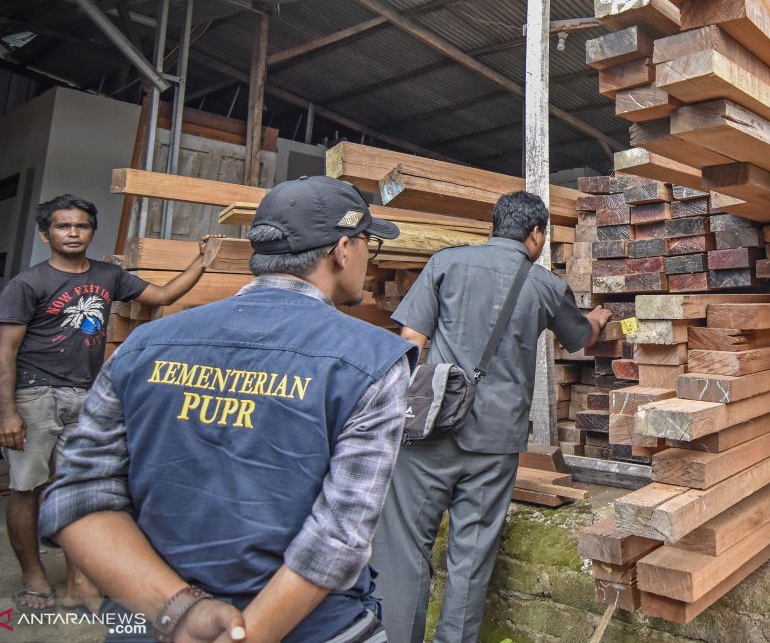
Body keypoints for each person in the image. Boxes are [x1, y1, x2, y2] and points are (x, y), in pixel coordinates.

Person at [39, 176, 417, 643]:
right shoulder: (373, 360)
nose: (367, 257)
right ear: (342, 249)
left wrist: (179, 611)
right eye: (368, 245)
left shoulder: (144, 346)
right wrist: (245, 635)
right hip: (310, 629)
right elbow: (336, 540)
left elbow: (78, 495)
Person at [374, 190, 613, 643]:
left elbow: (410, 339)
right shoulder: (544, 285)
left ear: (495, 225)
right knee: (471, 559)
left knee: (403, 547)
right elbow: (579, 339)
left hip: (429, 428)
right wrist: (598, 317)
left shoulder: (447, 263)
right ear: (536, 233)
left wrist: (398, 415)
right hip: (494, 442)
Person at [0, 195, 216, 614]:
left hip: (87, 393)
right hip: (35, 395)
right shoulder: (28, 284)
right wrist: (6, 411)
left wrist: (201, 261)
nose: (73, 233)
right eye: (63, 227)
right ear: (46, 234)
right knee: (26, 488)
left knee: (78, 488)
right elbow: (4, 352)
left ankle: (81, 581)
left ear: (91, 231)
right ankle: (33, 574)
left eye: (81, 226)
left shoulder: (107, 276)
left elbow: (164, 295)